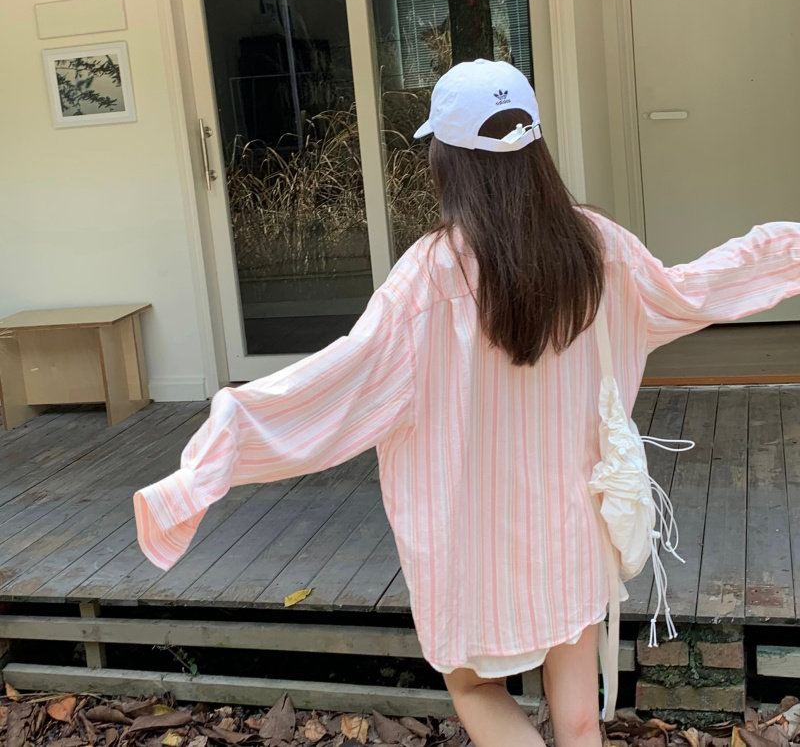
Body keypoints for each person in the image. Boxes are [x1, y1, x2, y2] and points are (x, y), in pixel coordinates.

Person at [135, 59, 800, 747]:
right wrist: (789, 252)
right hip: (572, 530)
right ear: (535, 146)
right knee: (578, 716)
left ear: (446, 161)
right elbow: (694, 290)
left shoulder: (428, 278)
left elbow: (336, 387)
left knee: (475, 689)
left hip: (470, 548)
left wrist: (212, 457)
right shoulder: (597, 248)